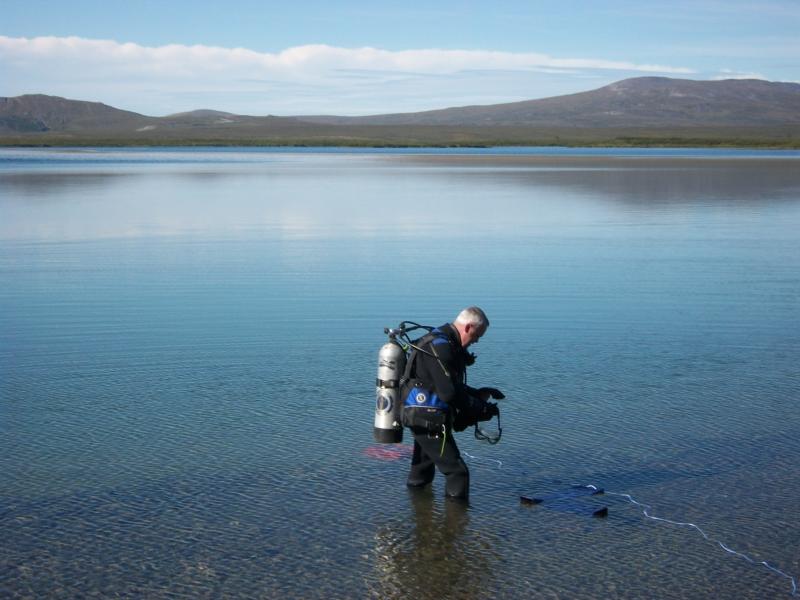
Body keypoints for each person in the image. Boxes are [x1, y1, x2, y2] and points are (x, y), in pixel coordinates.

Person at [402, 306, 503, 500]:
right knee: (457, 472)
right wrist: (479, 408)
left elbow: (443, 385)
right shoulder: (441, 347)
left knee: (422, 471)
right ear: (468, 327)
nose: (476, 341)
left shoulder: (440, 340)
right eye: (477, 336)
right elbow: (448, 394)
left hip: (419, 414)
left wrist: (480, 393)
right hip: (427, 419)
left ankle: (420, 518)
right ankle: (455, 526)